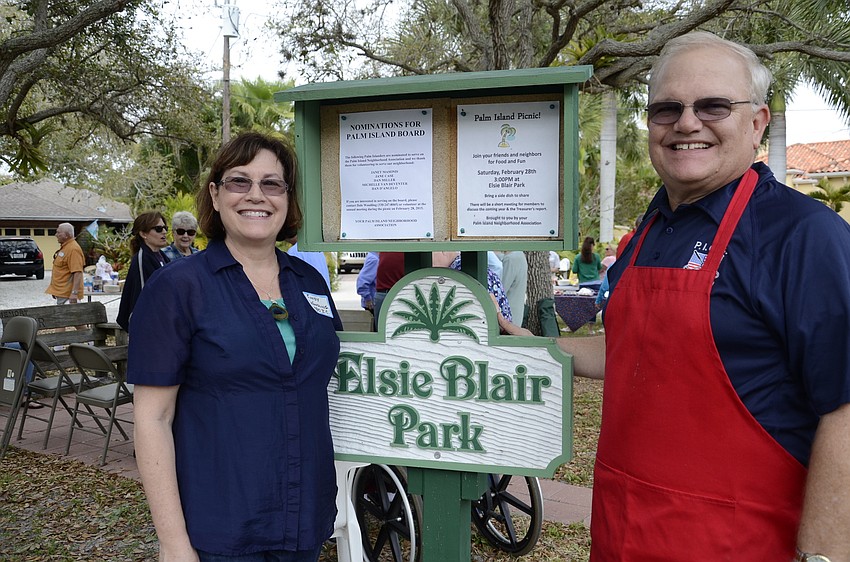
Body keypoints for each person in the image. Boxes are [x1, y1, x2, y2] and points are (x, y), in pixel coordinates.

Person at [587, 31, 850, 560]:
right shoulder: (650, 229)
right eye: (666, 109)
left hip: (738, 543)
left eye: (713, 105)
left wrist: (823, 554)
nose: (686, 123)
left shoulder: (804, 236)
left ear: (757, 123)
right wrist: (524, 345)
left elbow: (844, 409)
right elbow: (632, 344)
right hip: (623, 533)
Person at [129, 132, 343, 561]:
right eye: (239, 181)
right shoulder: (178, 287)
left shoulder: (309, 281)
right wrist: (173, 542)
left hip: (303, 516)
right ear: (215, 193)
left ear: (287, 197)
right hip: (220, 524)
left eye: (272, 183)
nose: (256, 196)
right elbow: (153, 419)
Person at [116, 211, 170, 332]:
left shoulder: (162, 256)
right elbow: (142, 298)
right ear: (143, 234)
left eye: (165, 228)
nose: (164, 232)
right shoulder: (142, 259)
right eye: (158, 229)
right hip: (149, 329)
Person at [44, 223, 84, 304]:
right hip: (61, 293)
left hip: (68, 296)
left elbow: (77, 272)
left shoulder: (73, 249)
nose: (56, 235)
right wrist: (55, 290)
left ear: (67, 235)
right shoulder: (65, 247)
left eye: (58, 233)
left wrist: (74, 293)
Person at [498, 251, 527, 326]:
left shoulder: (510, 259)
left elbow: (501, 289)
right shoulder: (519, 255)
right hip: (516, 313)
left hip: (507, 315)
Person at [356, 252, 378, 328]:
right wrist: (367, 298)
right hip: (371, 303)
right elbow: (362, 280)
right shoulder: (374, 259)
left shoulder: (373, 256)